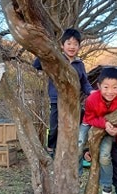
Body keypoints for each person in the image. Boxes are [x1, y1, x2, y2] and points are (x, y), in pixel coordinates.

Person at [33, 28, 94, 157]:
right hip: (57, 100)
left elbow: (84, 83)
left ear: (79, 46)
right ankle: (50, 149)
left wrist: (91, 92)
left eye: (75, 44)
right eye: (69, 43)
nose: (72, 47)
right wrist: (45, 50)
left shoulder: (80, 64)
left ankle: (74, 151)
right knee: (54, 127)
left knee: (73, 128)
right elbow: (37, 64)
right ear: (62, 45)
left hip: (73, 102)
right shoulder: (56, 59)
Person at [78, 67, 117, 194]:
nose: (110, 91)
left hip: (109, 130)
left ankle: (107, 188)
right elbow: (89, 118)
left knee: (105, 156)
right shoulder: (91, 99)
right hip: (91, 122)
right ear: (99, 86)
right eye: (106, 87)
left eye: (114, 87)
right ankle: (77, 174)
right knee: (79, 142)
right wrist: (104, 123)